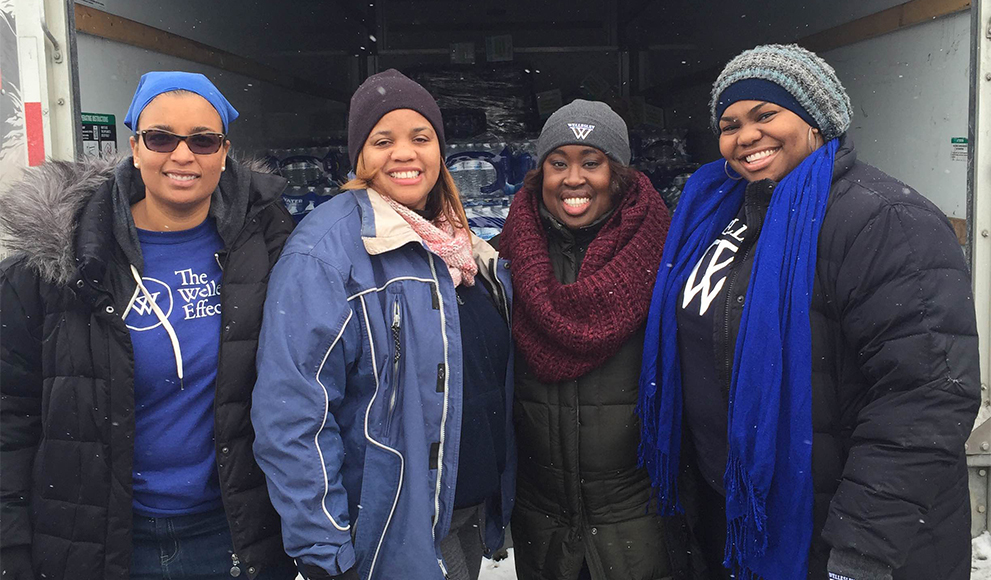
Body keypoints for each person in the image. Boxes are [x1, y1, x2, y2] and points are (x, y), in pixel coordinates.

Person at [638, 44, 981, 580]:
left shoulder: (882, 219)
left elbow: (925, 395)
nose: (744, 136)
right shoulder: (725, 212)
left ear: (817, 120)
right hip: (740, 519)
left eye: (766, 114)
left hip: (834, 535)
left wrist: (859, 551)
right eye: (729, 123)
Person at [0, 72, 297, 580]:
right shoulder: (54, 264)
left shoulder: (270, 246)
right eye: (161, 138)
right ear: (134, 147)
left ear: (224, 152)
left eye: (203, 140)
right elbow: (11, 413)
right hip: (98, 539)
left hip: (230, 534)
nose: (183, 155)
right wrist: (10, 548)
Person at [251, 69, 515, 580]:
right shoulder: (326, 253)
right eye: (382, 140)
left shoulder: (461, 248)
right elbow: (293, 413)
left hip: (462, 512)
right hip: (391, 532)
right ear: (359, 157)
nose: (405, 153)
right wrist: (325, 548)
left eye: (421, 138)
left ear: (440, 151)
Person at [498, 99, 673, 580]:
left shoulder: (667, 258)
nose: (573, 179)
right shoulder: (501, 264)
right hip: (542, 523)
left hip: (637, 520)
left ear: (617, 175)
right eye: (558, 164)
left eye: (591, 163)